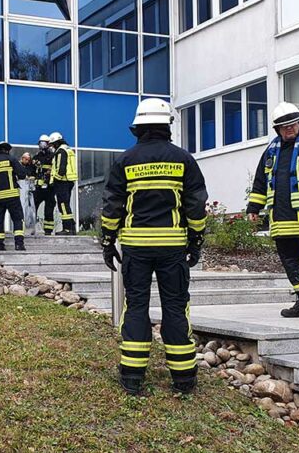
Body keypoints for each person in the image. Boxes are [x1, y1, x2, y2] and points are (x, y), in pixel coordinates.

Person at [100, 98, 208, 395]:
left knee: (135, 307)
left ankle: (132, 377)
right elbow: (196, 206)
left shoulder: (124, 161)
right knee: (175, 307)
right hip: (173, 249)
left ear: (138, 128)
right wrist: (196, 240)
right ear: (167, 126)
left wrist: (108, 242)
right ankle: (184, 380)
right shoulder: (183, 159)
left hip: (136, 248)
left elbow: (113, 207)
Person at [246, 102, 299, 320]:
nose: (289, 129)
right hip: (281, 221)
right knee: (291, 263)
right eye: (284, 126)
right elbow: (260, 181)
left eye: (292, 125)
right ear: (277, 129)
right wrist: (254, 207)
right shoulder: (272, 149)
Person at [0, 142, 28, 251]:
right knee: (18, 218)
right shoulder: (11, 159)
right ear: (6, 150)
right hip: (11, 195)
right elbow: (22, 174)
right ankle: (19, 244)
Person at [49, 132, 77, 235]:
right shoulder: (69, 150)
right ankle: (72, 227)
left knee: (63, 205)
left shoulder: (61, 151)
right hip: (69, 181)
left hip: (62, 182)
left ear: (56, 143)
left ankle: (67, 229)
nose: (51, 147)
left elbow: (61, 168)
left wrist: (55, 181)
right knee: (66, 205)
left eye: (52, 144)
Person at [32, 134, 57, 235]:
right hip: (38, 188)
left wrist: (50, 171)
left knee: (49, 209)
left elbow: (56, 169)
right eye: (40, 143)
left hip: (50, 188)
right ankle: (31, 228)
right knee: (33, 208)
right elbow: (31, 171)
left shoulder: (53, 156)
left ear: (48, 144)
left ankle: (48, 230)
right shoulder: (36, 157)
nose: (42, 145)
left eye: (44, 143)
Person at [18, 153, 38, 235]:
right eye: (25, 159)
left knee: (31, 208)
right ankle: (22, 227)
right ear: (22, 158)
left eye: (28, 160)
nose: (27, 161)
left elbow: (33, 174)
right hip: (21, 188)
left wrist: (32, 178)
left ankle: (31, 227)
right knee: (22, 206)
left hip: (29, 189)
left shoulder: (31, 167)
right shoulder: (18, 166)